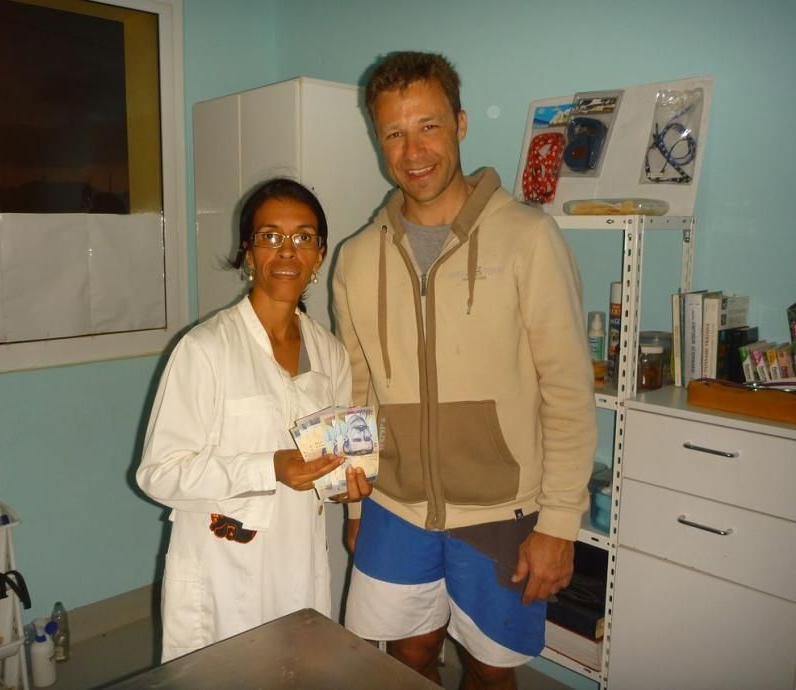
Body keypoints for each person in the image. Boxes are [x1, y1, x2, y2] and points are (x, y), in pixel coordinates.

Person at [332, 52, 596, 689]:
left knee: (490, 670)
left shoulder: (528, 238)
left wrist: (560, 525)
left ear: (461, 123)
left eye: (428, 125)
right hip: (394, 507)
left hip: (501, 510)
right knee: (406, 657)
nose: (413, 150)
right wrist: (355, 505)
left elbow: (567, 391)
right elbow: (355, 390)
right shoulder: (356, 258)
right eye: (394, 133)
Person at [137, 178, 371, 661]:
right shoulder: (204, 349)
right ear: (248, 252)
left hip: (299, 558)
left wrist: (345, 486)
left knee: (296, 667)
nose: (287, 252)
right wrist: (269, 467)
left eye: (303, 237)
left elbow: (332, 464)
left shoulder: (330, 353)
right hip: (223, 564)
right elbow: (158, 474)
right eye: (270, 236)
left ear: (320, 255)